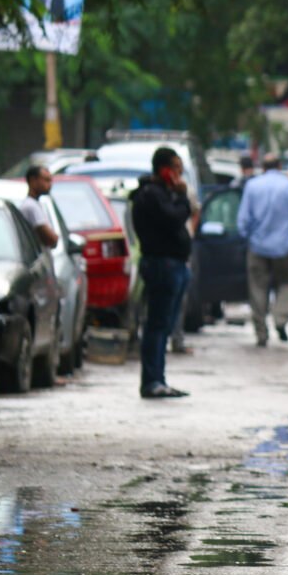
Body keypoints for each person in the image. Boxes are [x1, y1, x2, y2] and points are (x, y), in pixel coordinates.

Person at [131, 148, 193, 399]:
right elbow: (175, 218)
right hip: (161, 265)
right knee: (157, 325)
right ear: (164, 169)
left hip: (175, 264)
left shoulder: (163, 194)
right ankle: (152, 381)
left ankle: (159, 378)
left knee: (165, 325)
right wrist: (182, 197)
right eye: (176, 168)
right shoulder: (151, 195)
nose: (179, 174)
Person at [236, 154, 288, 346]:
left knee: (257, 288)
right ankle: (280, 319)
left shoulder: (253, 186)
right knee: (286, 284)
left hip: (257, 246)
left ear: (262, 166)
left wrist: (247, 237)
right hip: (283, 247)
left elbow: (243, 219)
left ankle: (261, 332)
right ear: (280, 165)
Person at [20, 165, 59, 248]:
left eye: (50, 181)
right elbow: (51, 239)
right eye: (46, 180)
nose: (50, 184)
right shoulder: (31, 207)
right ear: (33, 180)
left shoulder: (36, 204)